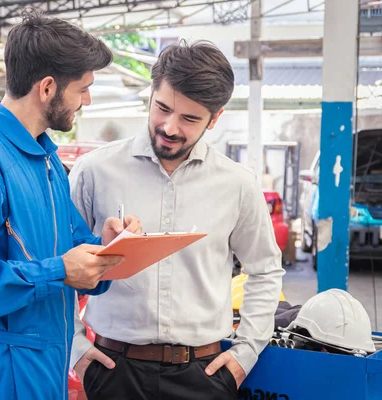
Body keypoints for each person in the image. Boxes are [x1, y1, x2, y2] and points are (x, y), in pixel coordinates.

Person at [0, 11, 141, 400]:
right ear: (47, 88)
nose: (87, 100)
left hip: (48, 371)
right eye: (83, 89)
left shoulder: (46, 160)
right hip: (3, 374)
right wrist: (58, 272)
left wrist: (107, 246)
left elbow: (72, 254)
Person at [69, 40, 285, 400]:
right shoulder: (94, 171)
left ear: (215, 118)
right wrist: (76, 351)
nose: (169, 127)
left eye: (189, 118)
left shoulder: (237, 185)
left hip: (206, 376)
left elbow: (265, 271)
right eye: (162, 108)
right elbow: (57, 262)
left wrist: (245, 354)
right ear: (151, 94)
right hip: (111, 372)